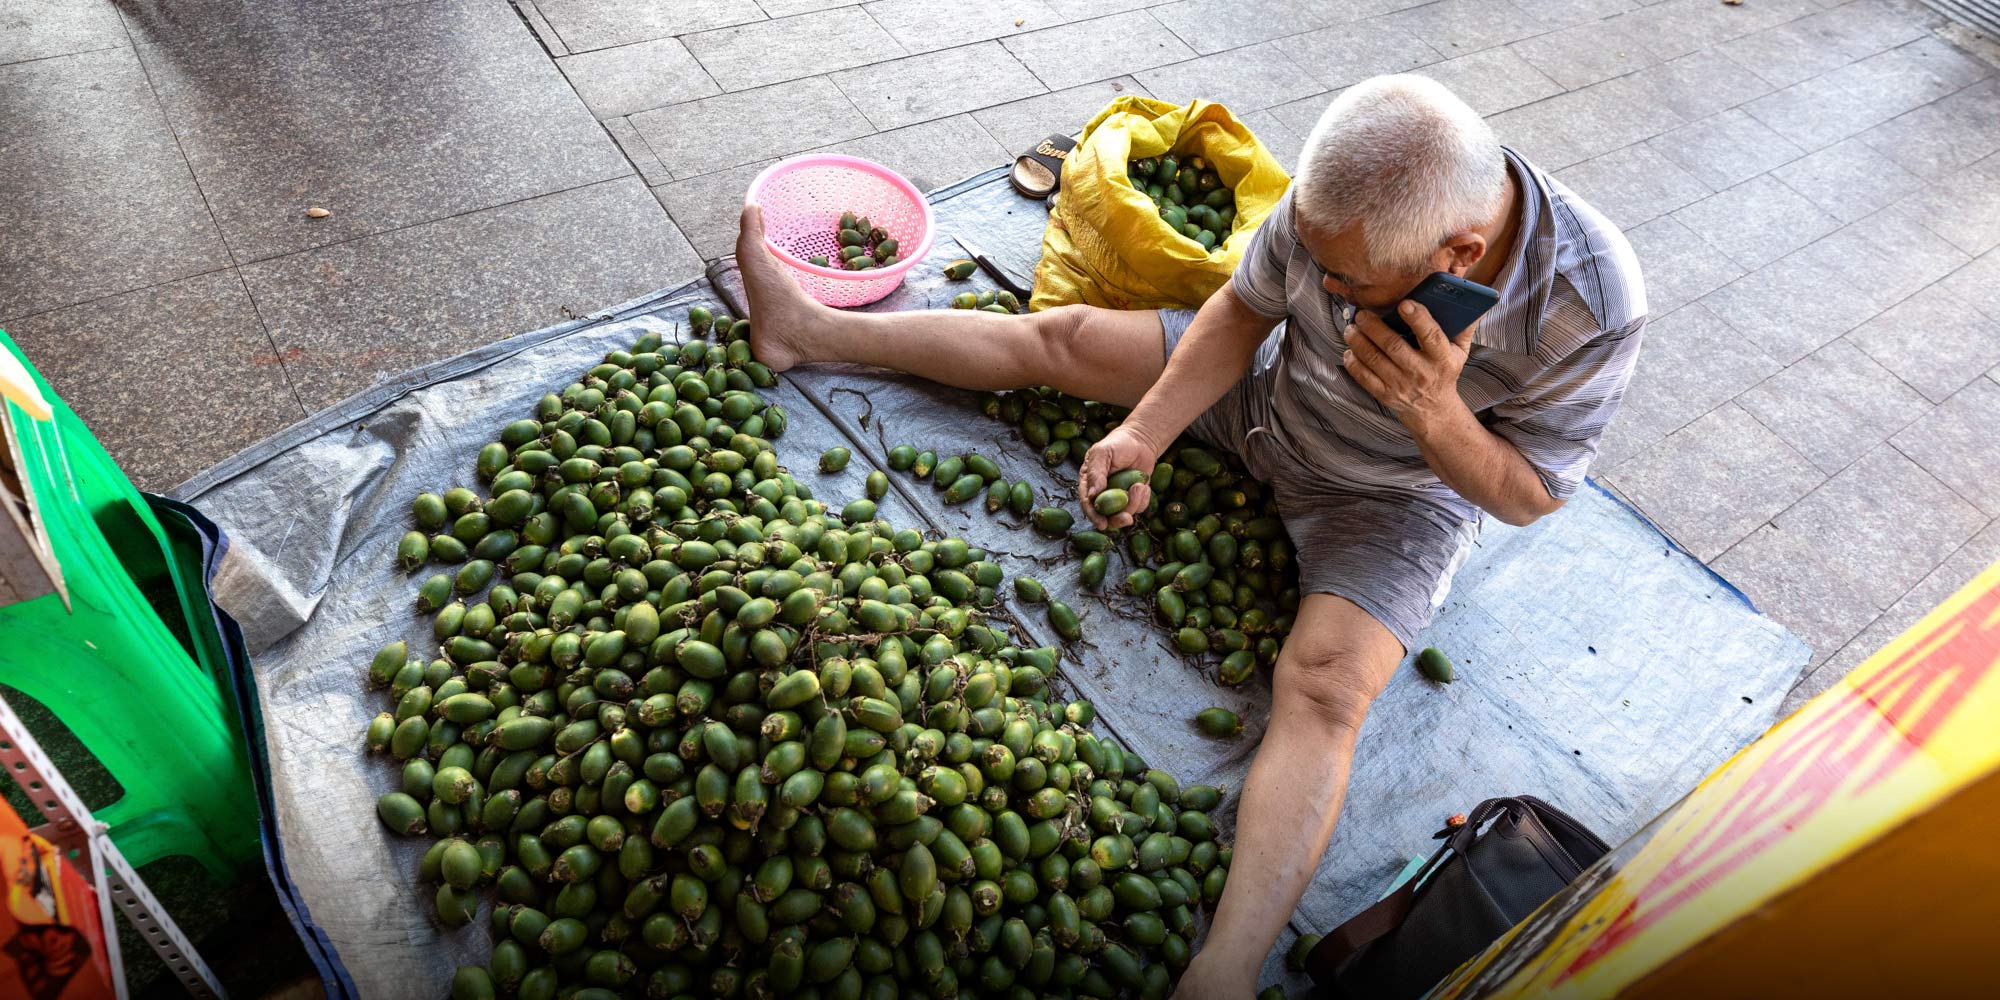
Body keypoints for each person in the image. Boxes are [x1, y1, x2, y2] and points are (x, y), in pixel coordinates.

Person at [737, 73, 1646, 997]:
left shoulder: (1593, 307)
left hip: (1393, 496)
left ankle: (1227, 966)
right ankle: (804, 330)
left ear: (1460, 252)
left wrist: (1433, 414)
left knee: (1328, 691)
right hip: (1261, 393)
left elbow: (1529, 496)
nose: (1328, 292)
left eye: (1351, 285)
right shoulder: (1344, 209)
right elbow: (1244, 311)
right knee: (1058, 339)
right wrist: (1147, 430)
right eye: (1320, 267)